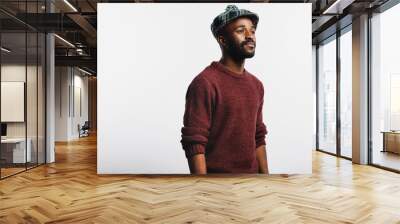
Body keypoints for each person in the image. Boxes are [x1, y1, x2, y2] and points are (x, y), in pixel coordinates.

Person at [180, 5, 268, 174]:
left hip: (252, 183)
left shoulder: (257, 85)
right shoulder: (204, 83)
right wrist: (202, 187)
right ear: (222, 39)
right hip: (217, 184)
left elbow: (258, 136)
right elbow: (194, 142)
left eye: (253, 31)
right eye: (241, 31)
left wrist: (267, 179)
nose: (250, 36)